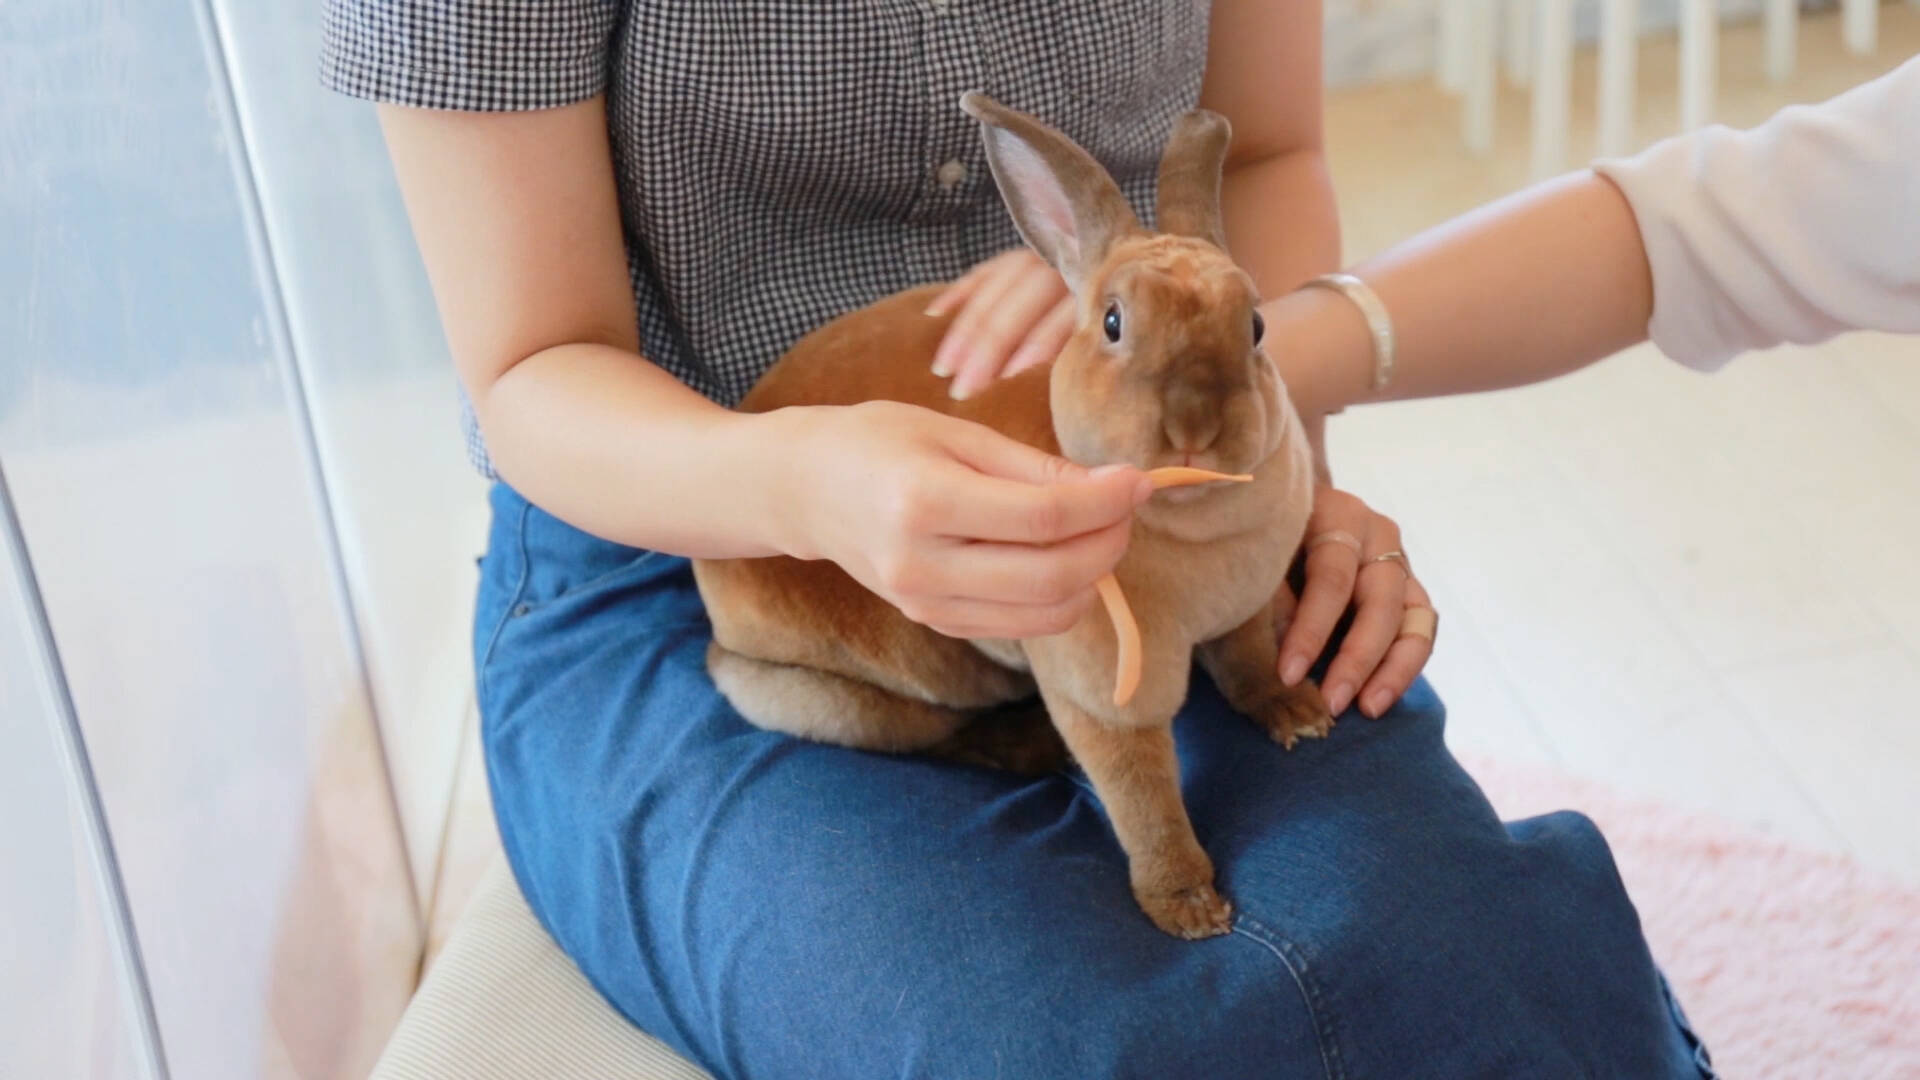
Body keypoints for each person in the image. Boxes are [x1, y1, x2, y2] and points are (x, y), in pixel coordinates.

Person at [321, 3, 1712, 1076]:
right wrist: (806, 484)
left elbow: (1269, 150)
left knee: (1484, 961)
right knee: (1070, 1046)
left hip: (1160, 513)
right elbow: (531, 368)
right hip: (704, 576)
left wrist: (1269, 472)